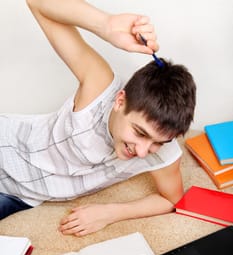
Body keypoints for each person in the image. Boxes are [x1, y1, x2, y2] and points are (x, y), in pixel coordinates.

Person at [0, 0, 196, 236]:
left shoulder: (163, 150)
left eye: (157, 142)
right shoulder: (100, 86)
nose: (143, 151)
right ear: (120, 101)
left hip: (19, 194)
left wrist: (110, 213)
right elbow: (38, 3)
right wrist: (105, 24)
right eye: (140, 132)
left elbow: (171, 199)